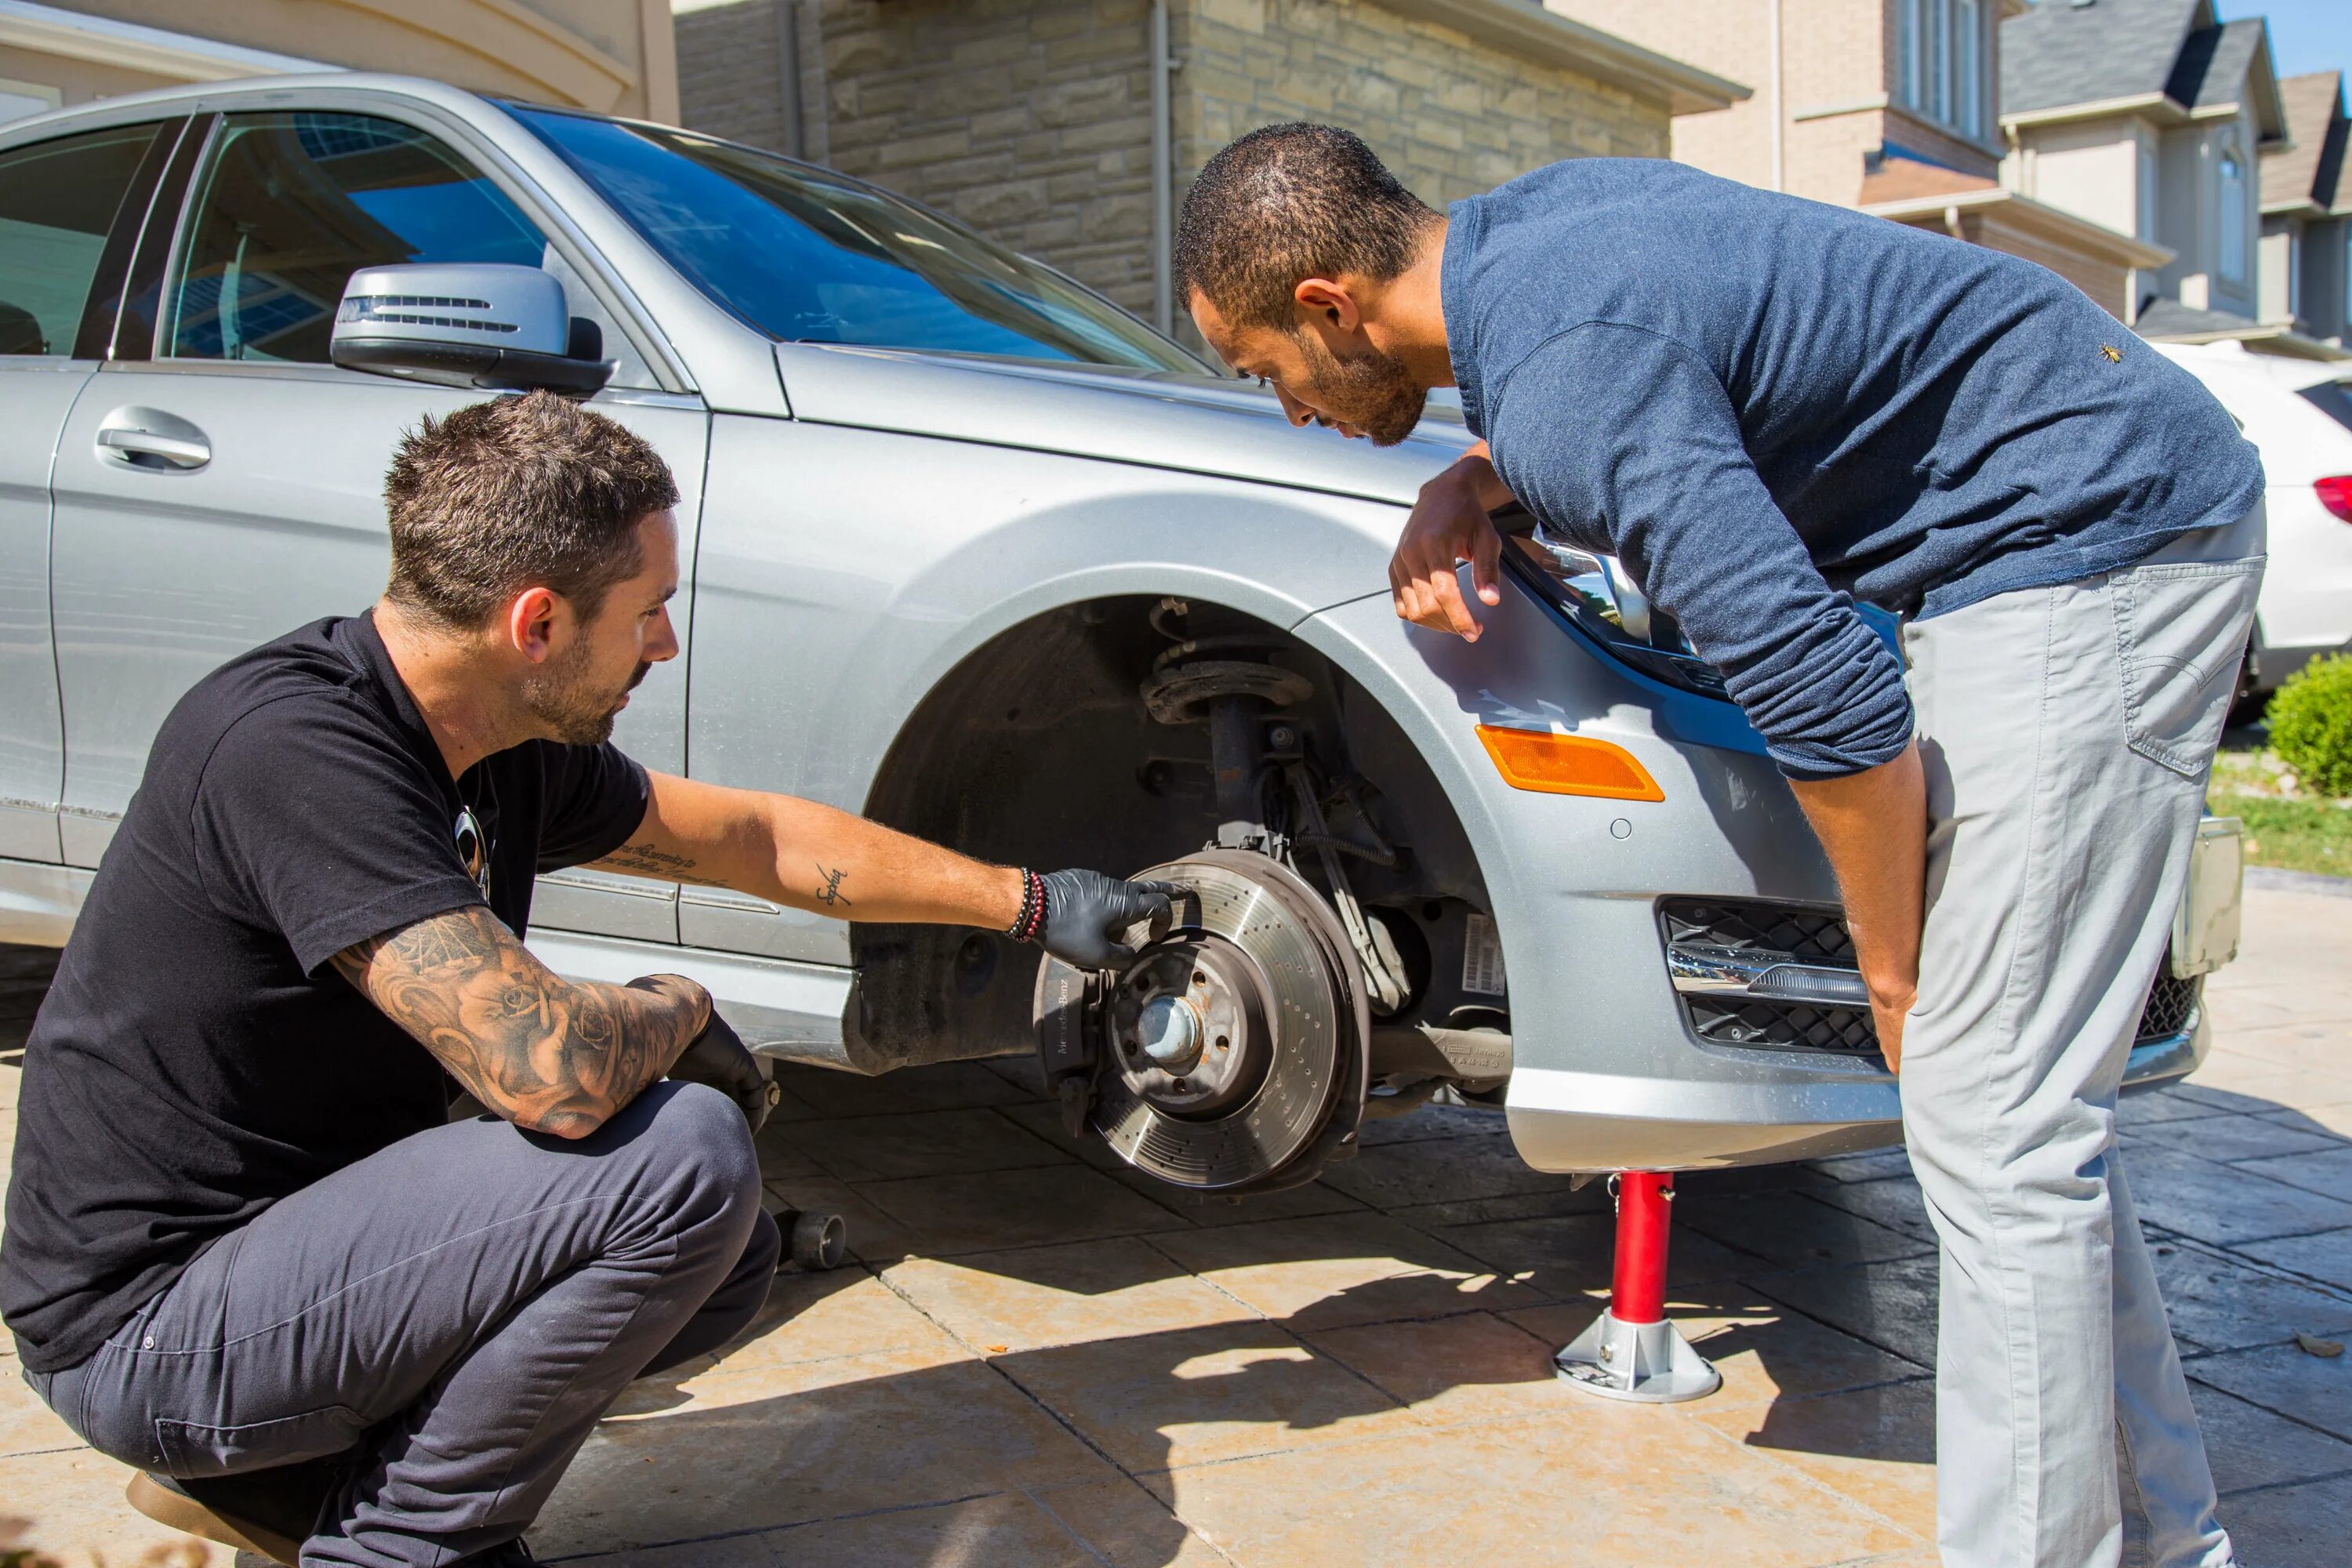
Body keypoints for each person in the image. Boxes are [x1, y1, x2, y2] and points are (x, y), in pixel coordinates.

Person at [1175, 125, 2261, 1568]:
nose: (1290, 410)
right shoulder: (1539, 231)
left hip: (2094, 548)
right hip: (2070, 518)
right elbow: (1674, 365)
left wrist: (1888, 967)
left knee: (1990, 1118)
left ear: (1329, 307)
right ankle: (2171, 1541)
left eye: (1266, 372)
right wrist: (1473, 485)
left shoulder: (1564, 370)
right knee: (2015, 1119)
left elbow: (1836, 705)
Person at [0, 391, 1174, 1568]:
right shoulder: (296, 749)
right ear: (538, 625)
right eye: (651, 611)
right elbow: (546, 1072)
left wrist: (1029, 900)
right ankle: (404, 1550)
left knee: (728, 1257)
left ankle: (286, 1491)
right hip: (145, 1331)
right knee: (679, 1166)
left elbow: (756, 839)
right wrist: (684, 1014)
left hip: (280, 1270)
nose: (665, 643)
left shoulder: (500, 744)